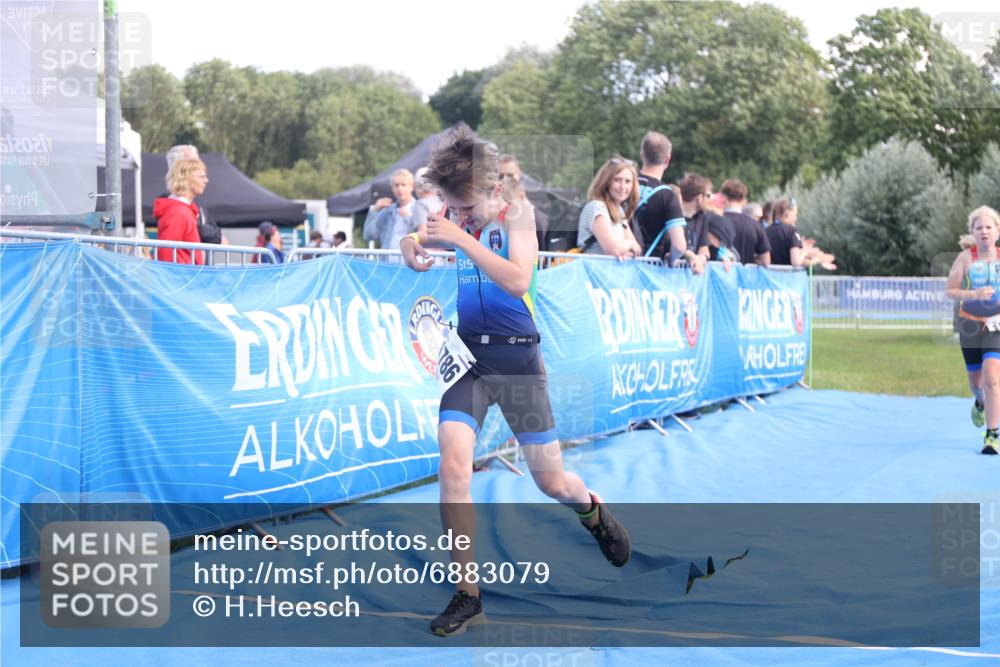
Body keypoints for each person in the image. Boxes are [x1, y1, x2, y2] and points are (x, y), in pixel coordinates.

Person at [398, 124, 631, 637]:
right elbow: (426, 234)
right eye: (451, 208)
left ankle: (591, 510)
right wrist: (409, 242)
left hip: (519, 361)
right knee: (453, 464)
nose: (456, 217)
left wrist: (459, 237)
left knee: (552, 481)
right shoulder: (456, 216)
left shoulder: (518, 215)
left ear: (495, 191)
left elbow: (518, 278)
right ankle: (468, 593)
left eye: (466, 209)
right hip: (471, 362)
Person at [946, 206, 1000, 454]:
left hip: (996, 324)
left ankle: (992, 435)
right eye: (979, 228)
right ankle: (979, 402)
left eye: (989, 227)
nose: (985, 231)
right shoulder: (966, 258)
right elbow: (950, 291)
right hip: (969, 323)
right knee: (976, 383)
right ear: (973, 232)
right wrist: (974, 294)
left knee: (992, 377)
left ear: (997, 231)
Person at [634, 132, 703, 272]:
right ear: (667, 159)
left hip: (618, 268)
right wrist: (673, 259)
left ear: (642, 155)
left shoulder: (624, 185)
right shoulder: (667, 195)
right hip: (649, 270)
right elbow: (679, 245)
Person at [576, 157, 642, 259]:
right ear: (606, 182)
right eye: (617, 180)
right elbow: (613, 250)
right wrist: (628, 245)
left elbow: (637, 250)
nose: (623, 186)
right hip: (593, 273)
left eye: (628, 181)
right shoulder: (597, 207)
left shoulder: (619, 210)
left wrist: (623, 251)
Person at [164, 144, 228, 246]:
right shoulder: (174, 209)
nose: (206, 180)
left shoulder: (191, 206)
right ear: (184, 171)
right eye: (194, 163)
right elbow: (168, 252)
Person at [152, 157, 207, 264]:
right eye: (201, 176)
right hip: (181, 277)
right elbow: (166, 254)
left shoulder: (182, 210)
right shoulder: (178, 212)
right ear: (186, 179)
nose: (206, 180)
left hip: (185, 276)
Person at [499, 154, 549, 251]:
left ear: (520, 174)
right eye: (501, 176)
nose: (504, 179)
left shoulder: (537, 202)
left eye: (509, 175)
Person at [720, 180, 771, 266]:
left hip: (719, 276)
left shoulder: (714, 222)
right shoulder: (755, 225)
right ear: (743, 200)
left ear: (724, 198)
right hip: (745, 277)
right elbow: (766, 261)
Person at [363, 169, 416, 249]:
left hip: (410, 260)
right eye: (396, 185)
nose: (400, 189)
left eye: (403, 185)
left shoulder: (419, 208)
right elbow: (368, 235)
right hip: (387, 260)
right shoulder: (387, 211)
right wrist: (374, 210)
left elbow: (427, 237)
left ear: (412, 186)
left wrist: (409, 218)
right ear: (392, 188)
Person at [676, 173, 713, 268]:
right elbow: (672, 246)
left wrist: (702, 257)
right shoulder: (674, 215)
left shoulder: (702, 217)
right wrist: (691, 256)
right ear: (699, 198)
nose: (710, 199)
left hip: (691, 277)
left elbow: (704, 247)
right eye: (708, 195)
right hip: (670, 275)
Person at [765, 198, 804, 266]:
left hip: (769, 275)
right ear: (786, 214)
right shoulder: (792, 231)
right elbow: (796, 262)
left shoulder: (765, 231)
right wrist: (805, 252)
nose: (796, 218)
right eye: (795, 214)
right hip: (787, 275)